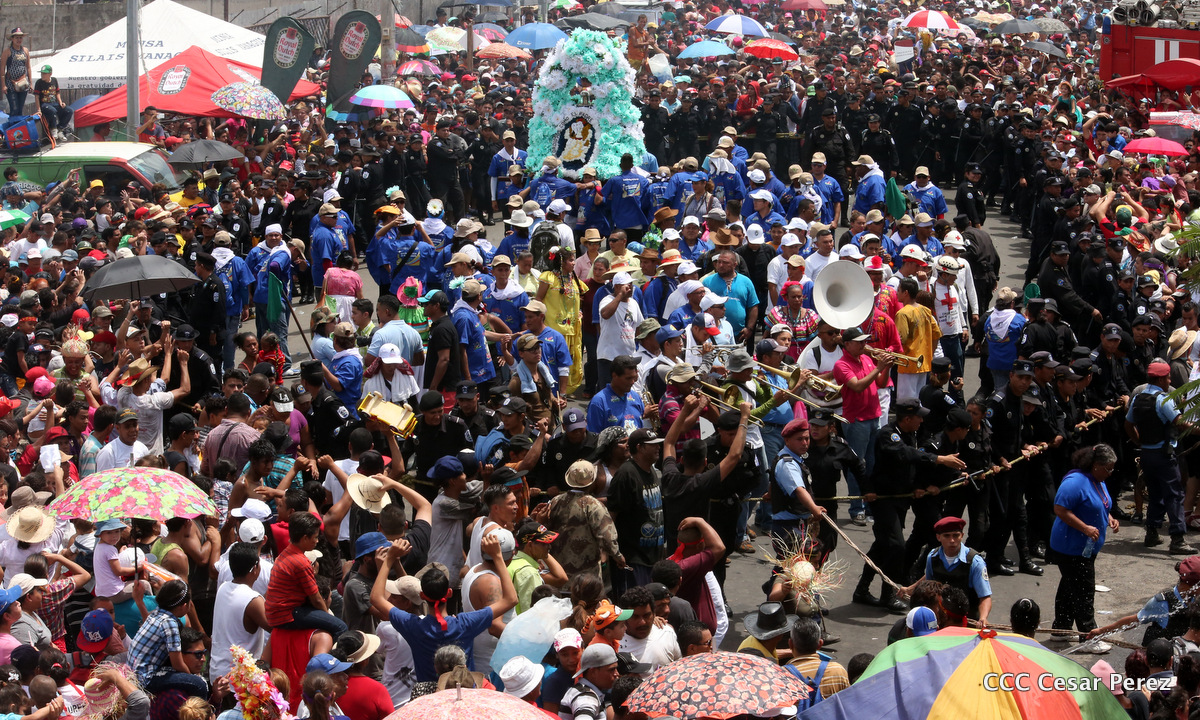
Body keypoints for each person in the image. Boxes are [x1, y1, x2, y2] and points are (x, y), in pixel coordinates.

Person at [370, 531, 518, 683]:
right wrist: (497, 556)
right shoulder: (465, 624)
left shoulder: (413, 626)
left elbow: (376, 598)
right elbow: (511, 599)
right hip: (463, 693)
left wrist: (389, 559)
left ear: (422, 596)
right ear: (449, 593)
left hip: (430, 695)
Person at [1126, 361, 1199, 555]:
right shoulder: (1163, 400)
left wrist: (1139, 441)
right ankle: (1178, 539)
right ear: (1159, 380)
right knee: (1174, 495)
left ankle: (1151, 533)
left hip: (1147, 454)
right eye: (1167, 378)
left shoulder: (1138, 398)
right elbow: (1180, 423)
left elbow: (1128, 424)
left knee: (1156, 493)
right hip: (1163, 456)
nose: (1169, 381)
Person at [1050, 444, 1120, 645]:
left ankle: (1061, 628)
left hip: (1086, 548)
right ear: (1095, 465)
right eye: (1108, 469)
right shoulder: (1075, 482)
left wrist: (1109, 517)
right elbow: (1060, 509)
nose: (1110, 473)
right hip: (1071, 548)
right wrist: (1085, 528)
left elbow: (1100, 504)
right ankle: (1088, 637)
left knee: (1070, 587)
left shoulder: (1098, 480)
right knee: (1084, 591)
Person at [901, 516, 992, 625]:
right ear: (938, 537)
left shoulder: (974, 562)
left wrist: (983, 618)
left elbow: (985, 596)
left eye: (956, 535)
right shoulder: (932, 557)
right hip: (940, 620)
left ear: (962, 536)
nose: (952, 540)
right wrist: (910, 589)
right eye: (947, 536)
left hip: (965, 622)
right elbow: (929, 583)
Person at [33, 65, 70, 141]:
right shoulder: (39, 82)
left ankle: (60, 128)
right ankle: (53, 129)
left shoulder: (54, 80)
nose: (42, 75)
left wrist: (60, 102)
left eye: (44, 74)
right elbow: (36, 97)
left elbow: (57, 92)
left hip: (54, 103)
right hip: (44, 104)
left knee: (69, 110)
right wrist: (39, 110)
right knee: (52, 110)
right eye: (42, 73)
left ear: (50, 74)